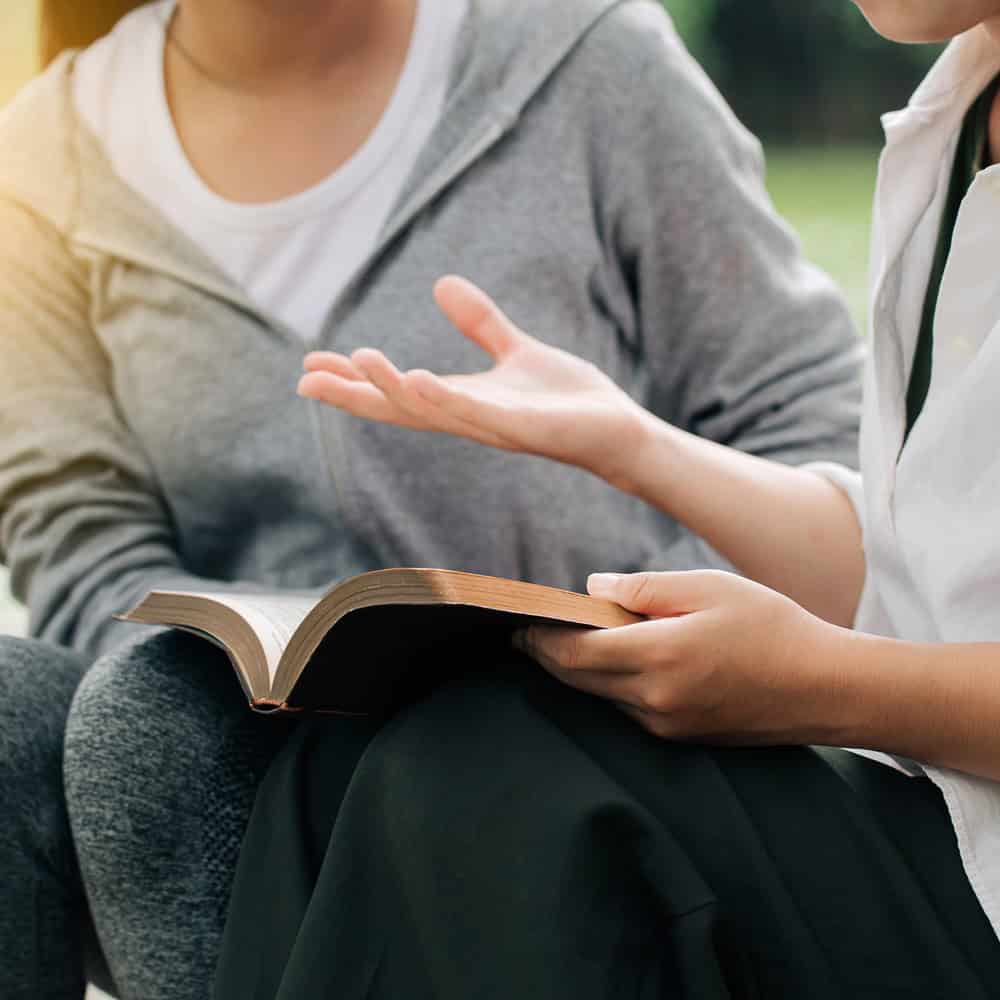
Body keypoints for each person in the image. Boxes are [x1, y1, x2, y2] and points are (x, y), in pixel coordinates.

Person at [0, 0, 863, 996]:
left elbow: (813, 439)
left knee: (360, 761)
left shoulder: (588, 58)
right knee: (66, 711)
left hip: (584, 720)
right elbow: (78, 546)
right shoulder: (40, 161)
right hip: (229, 738)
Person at [212, 1, 1000, 997]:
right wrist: (629, 443)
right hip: (937, 828)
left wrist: (820, 681)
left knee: (495, 766)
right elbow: (924, 567)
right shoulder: (954, 110)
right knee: (331, 761)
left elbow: (873, 648)